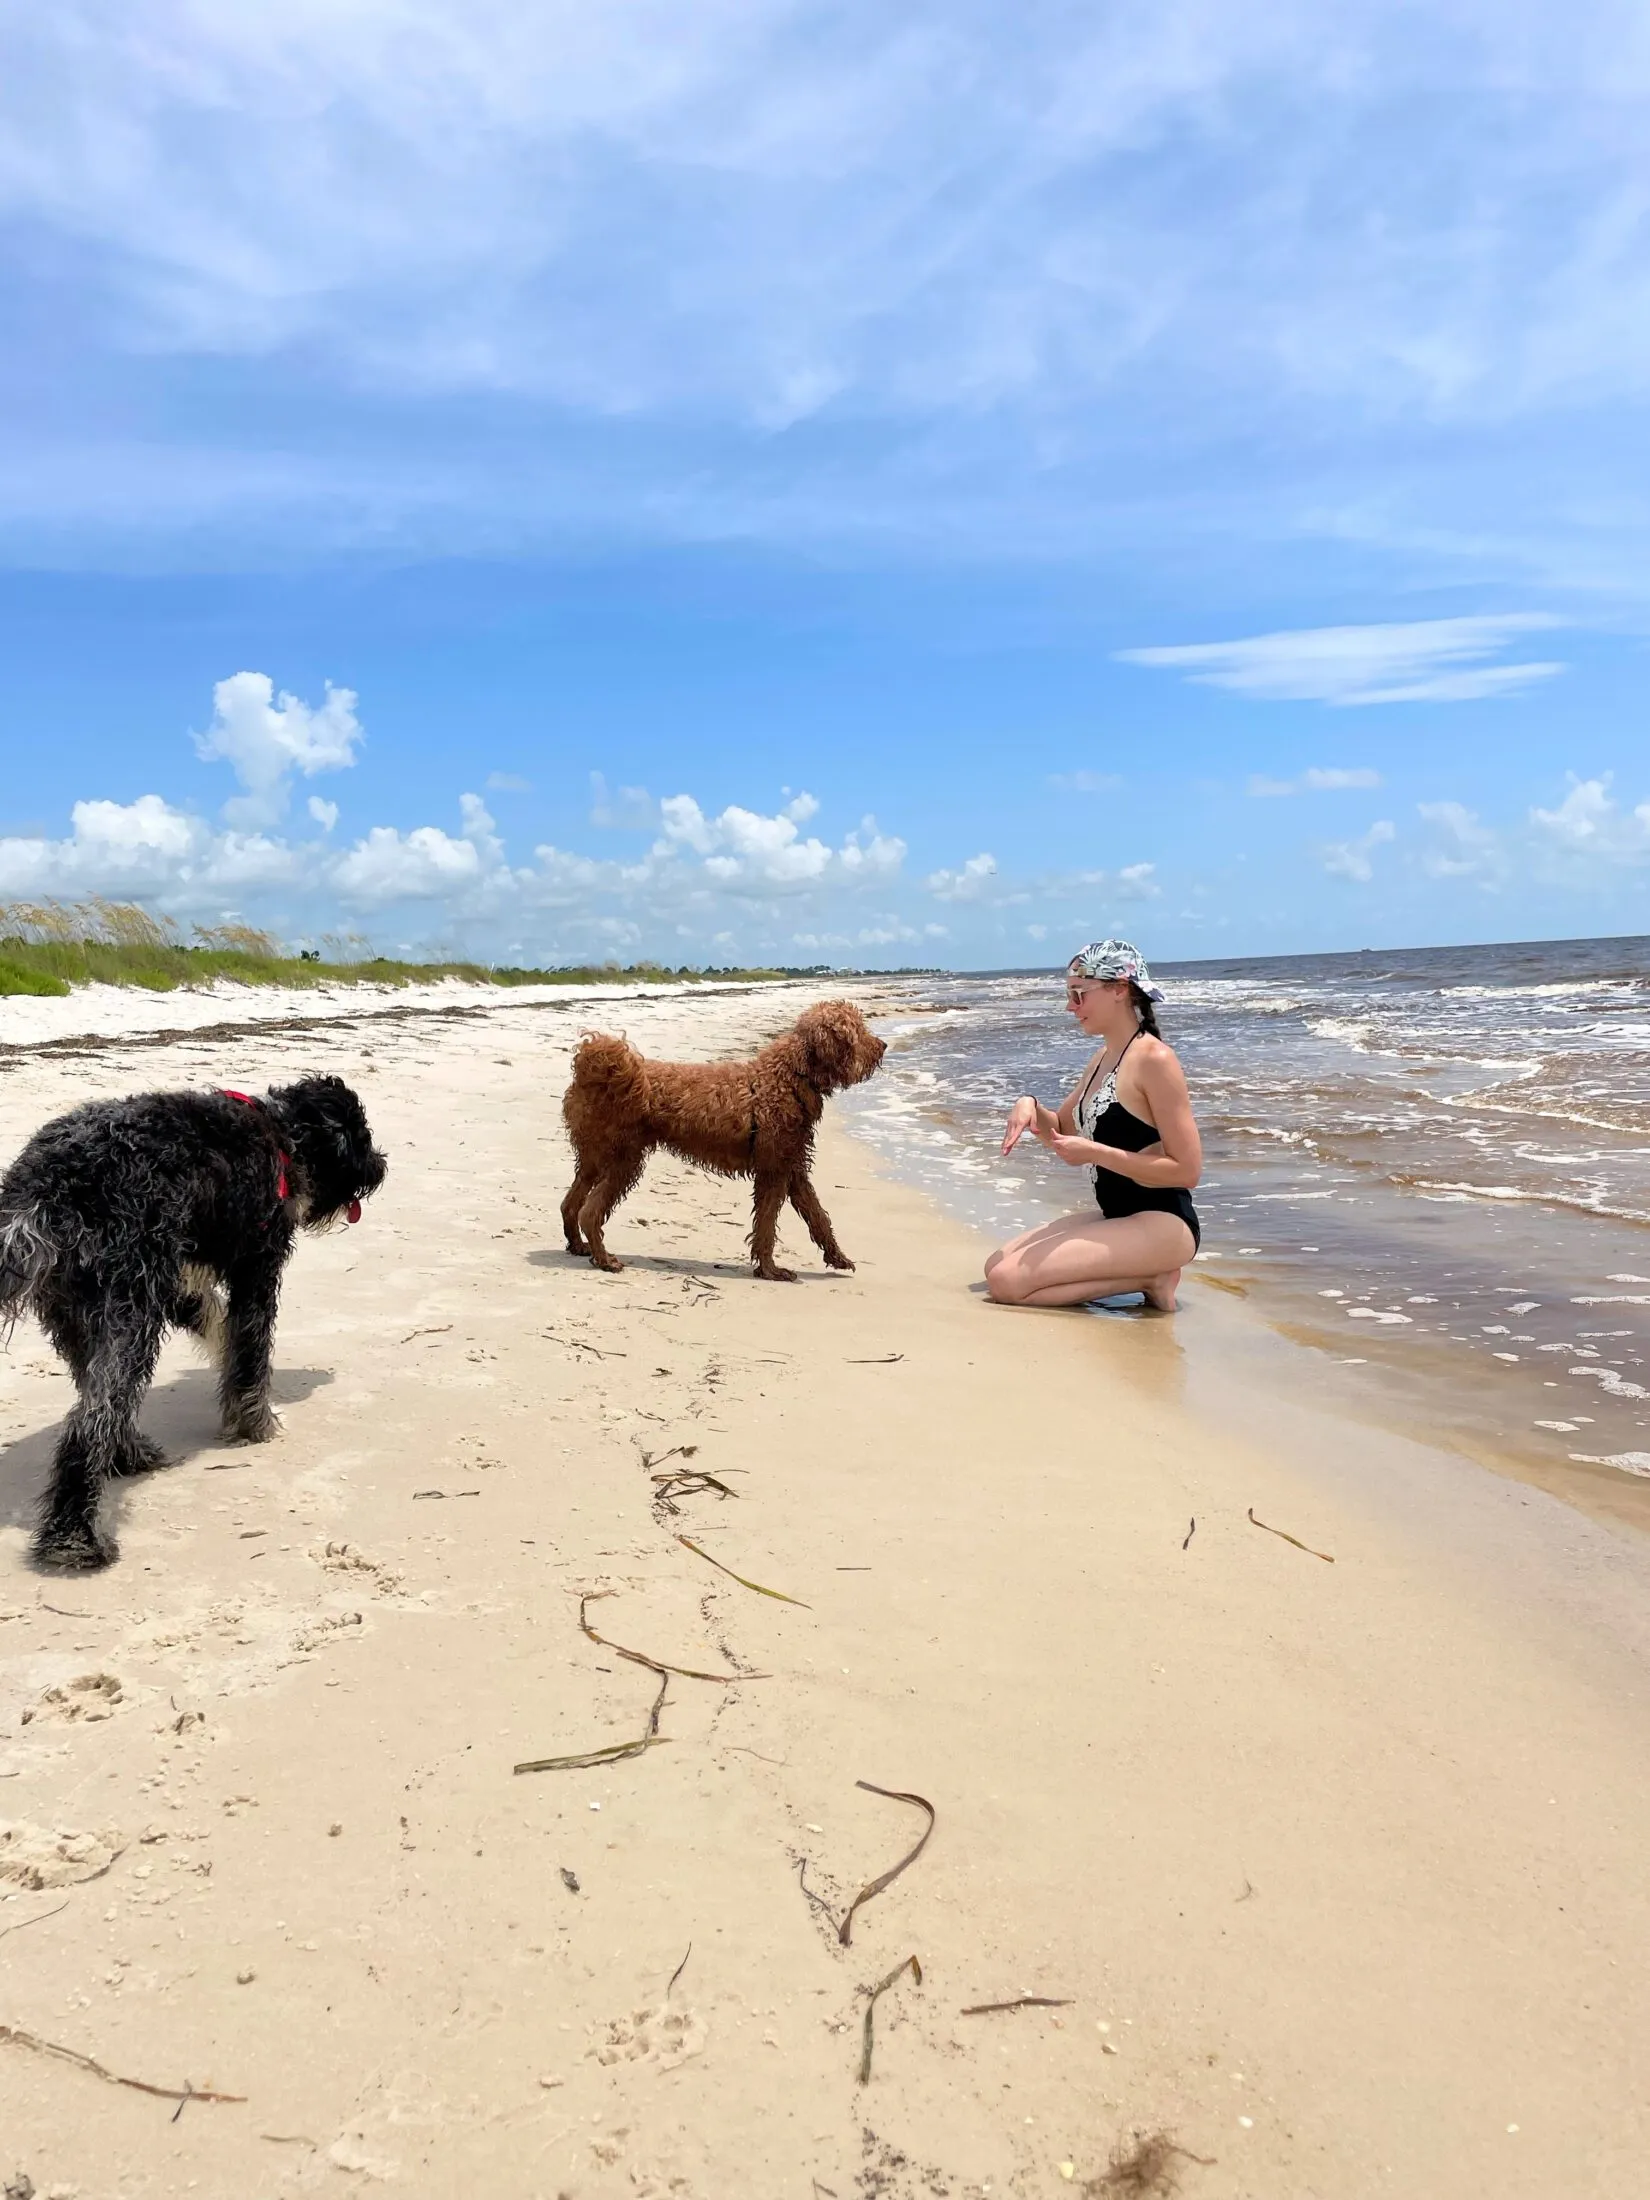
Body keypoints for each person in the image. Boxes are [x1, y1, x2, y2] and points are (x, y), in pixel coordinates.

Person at [984, 940, 1202, 1311]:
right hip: (1117, 1216)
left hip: (1163, 1222)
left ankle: (1153, 1275)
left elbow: (1187, 1170)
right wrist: (1030, 1105)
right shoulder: (1104, 1056)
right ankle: (1146, 1275)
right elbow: (1062, 1130)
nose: (1070, 1006)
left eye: (1078, 994)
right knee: (994, 1266)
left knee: (1007, 1283)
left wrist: (1098, 1152)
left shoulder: (1155, 1060)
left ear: (1119, 990)